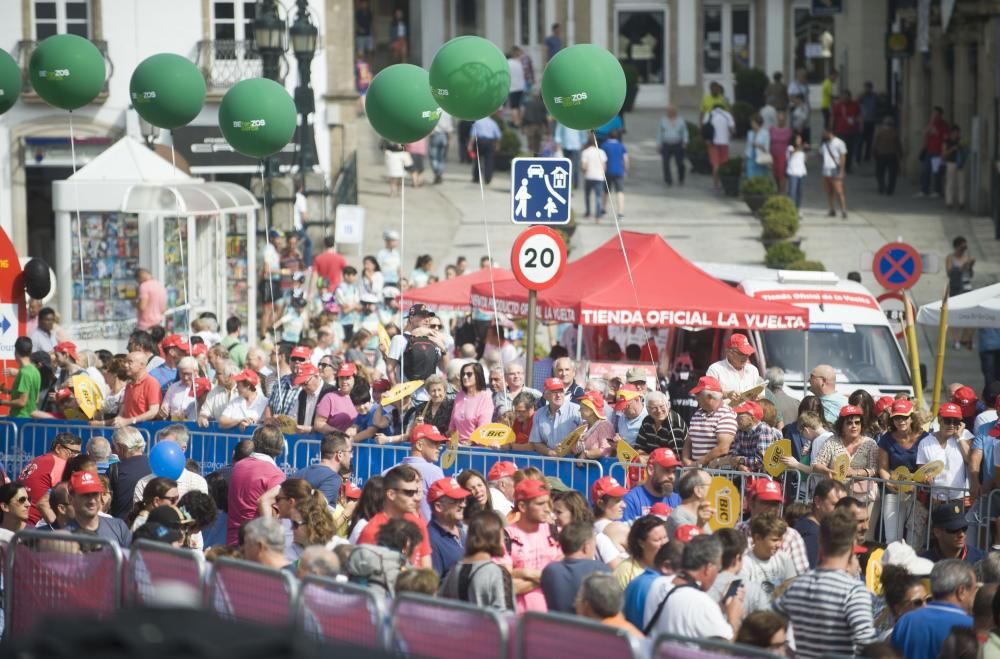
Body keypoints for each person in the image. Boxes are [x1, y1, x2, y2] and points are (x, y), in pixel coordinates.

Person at [774, 508, 875, 657]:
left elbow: (769, 625)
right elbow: (867, 643)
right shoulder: (854, 590)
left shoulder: (796, 585)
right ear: (852, 544)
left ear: (820, 541)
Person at [644, 534, 743, 640]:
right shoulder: (702, 603)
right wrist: (734, 618)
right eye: (718, 569)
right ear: (708, 568)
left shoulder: (657, 584)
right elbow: (727, 650)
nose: (717, 575)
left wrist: (720, 608)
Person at [892, 559, 975, 659]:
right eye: (973, 590)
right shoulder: (971, 627)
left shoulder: (905, 622)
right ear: (961, 591)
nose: (973, 596)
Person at [357, 465, 433, 568]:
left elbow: (427, 569)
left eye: (415, 492)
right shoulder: (372, 531)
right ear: (391, 494)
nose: (415, 498)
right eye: (409, 493)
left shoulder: (418, 523)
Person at [504, 479, 562, 612]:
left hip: (554, 618)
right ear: (523, 507)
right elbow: (506, 587)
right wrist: (545, 577)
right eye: (540, 504)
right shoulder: (506, 536)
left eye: (548, 503)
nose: (547, 509)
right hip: (519, 622)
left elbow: (561, 577)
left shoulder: (556, 533)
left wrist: (523, 573)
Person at [439, 510, 514, 611]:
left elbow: (442, 604)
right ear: (495, 536)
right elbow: (506, 616)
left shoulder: (454, 570)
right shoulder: (497, 573)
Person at [878, 399, 928, 544]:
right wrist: (890, 483)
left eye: (904, 417)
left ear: (912, 418)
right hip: (894, 491)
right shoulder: (886, 439)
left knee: (915, 541)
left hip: (919, 495)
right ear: (892, 420)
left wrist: (917, 483)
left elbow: (928, 467)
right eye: (896, 418)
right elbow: (883, 468)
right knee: (892, 540)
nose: (901, 421)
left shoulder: (925, 437)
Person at [226, 424, 286, 545]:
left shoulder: (238, 466)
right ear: (279, 448)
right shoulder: (276, 475)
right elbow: (275, 516)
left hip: (233, 541)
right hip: (256, 546)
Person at [541, 520, 609, 613]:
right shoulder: (600, 570)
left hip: (556, 626)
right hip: (588, 627)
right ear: (586, 547)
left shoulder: (549, 571)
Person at [389, 423, 448, 520]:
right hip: (425, 531)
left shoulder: (388, 472)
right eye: (435, 443)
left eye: (440, 443)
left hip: (395, 530)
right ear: (419, 445)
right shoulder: (434, 472)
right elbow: (444, 507)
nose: (440, 447)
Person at [682, 376, 737, 467]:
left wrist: (698, 464)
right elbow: (689, 440)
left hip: (718, 475)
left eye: (698, 394)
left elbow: (723, 448)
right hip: (697, 472)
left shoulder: (726, 414)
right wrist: (686, 460)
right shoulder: (697, 413)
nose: (696, 397)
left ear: (709, 397)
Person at [65, 470, 132, 546]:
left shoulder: (119, 527)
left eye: (95, 494)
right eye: (85, 495)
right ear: (70, 499)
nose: (92, 501)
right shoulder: (63, 538)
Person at [793, 477, 848, 567]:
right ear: (818, 501)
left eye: (844, 505)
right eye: (835, 504)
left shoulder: (815, 528)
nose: (841, 510)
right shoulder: (811, 535)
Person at [575, 572, 643, 638]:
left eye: (578, 598)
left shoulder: (591, 638)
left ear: (586, 605)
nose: (574, 604)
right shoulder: (632, 633)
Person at [622, 448, 682, 521]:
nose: (672, 476)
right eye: (666, 470)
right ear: (651, 470)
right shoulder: (631, 499)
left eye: (674, 472)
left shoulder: (677, 500)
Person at [427, 477, 469, 579]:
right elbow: (433, 586)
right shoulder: (430, 540)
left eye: (463, 499)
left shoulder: (463, 530)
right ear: (439, 507)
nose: (463, 505)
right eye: (456, 500)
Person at [292, 432, 351, 504]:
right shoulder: (332, 478)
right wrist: (346, 514)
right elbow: (316, 511)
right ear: (339, 455)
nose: (351, 456)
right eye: (350, 451)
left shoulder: (299, 474)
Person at [529, 378, 583, 456]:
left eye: (561, 391)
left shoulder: (577, 410)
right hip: (550, 462)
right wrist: (550, 452)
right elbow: (536, 442)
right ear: (545, 396)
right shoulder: (539, 414)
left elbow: (587, 434)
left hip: (573, 461)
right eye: (554, 392)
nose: (558, 395)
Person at [614, 515, 669, 588]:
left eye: (665, 537)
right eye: (657, 540)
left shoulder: (674, 565)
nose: (663, 543)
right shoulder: (625, 573)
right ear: (641, 543)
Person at [449, 362, 494, 443]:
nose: (465, 377)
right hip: (457, 447)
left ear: (477, 376)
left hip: (476, 449)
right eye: (463, 374)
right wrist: (454, 441)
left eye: (469, 374)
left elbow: (483, 428)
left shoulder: (486, 397)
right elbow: (452, 425)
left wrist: (469, 443)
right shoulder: (459, 395)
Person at [665, 469, 712, 538]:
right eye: (710, 485)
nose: (714, 489)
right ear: (698, 491)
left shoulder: (700, 514)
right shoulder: (678, 518)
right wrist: (700, 525)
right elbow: (693, 546)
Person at [0, 336, 40, 417]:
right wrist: (6, 390)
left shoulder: (24, 373)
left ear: (16, 352)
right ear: (31, 351)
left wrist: (2, 402)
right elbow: (35, 398)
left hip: (20, 418)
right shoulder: (35, 371)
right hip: (30, 418)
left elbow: (22, 402)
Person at [917, 105, 950, 198]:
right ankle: (924, 190)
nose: (934, 115)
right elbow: (925, 134)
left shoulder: (944, 125)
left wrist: (943, 152)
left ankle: (937, 191)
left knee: (936, 172)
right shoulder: (931, 124)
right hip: (929, 151)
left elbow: (946, 138)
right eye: (933, 113)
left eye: (936, 113)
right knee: (925, 171)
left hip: (938, 152)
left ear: (940, 114)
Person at [573, 390, 615, 459]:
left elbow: (606, 450)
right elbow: (573, 446)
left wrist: (586, 454)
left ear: (592, 410)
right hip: (581, 468)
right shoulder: (583, 426)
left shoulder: (604, 426)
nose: (579, 410)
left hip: (599, 468)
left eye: (582, 408)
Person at [703, 102, 735, 190]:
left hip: (713, 143)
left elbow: (704, 127)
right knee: (724, 164)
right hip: (725, 143)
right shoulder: (727, 115)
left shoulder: (709, 114)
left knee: (715, 164)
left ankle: (715, 184)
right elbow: (732, 130)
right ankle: (723, 182)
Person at [820, 127, 848, 218]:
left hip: (834, 168)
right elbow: (821, 154)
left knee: (839, 191)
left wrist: (841, 170)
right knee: (829, 191)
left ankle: (843, 209)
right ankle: (832, 209)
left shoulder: (839, 143)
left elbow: (843, 157)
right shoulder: (824, 144)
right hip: (825, 169)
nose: (823, 135)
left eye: (824, 133)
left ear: (830, 133)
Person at [600, 130, 628, 218]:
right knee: (620, 192)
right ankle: (620, 212)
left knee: (606, 191)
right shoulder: (621, 146)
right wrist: (625, 170)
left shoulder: (604, 146)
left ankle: (604, 209)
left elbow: (601, 159)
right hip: (619, 171)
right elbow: (625, 159)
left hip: (607, 171)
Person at [657, 105, 687, 186]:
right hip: (666, 144)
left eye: (670, 111)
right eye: (667, 111)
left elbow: (684, 132)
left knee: (680, 163)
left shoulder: (680, 120)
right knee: (665, 162)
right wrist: (659, 143)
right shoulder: (663, 120)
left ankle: (681, 177)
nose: (668, 113)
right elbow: (660, 132)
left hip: (677, 144)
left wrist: (685, 142)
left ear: (674, 112)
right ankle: (668, 180)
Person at [832, 90, 861, 174]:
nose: (844, 98)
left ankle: (847, 166)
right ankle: (840, 166)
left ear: (849, 97)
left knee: (849, 150)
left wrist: (859, 126)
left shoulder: (854, 105)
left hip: (851, 131)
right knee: (840, 150)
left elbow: (858, 116)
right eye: (842, 97)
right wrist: (831, 129)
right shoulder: (838, 106)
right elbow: (833, 117)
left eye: (846, 97)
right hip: (840, 131)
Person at [873, 116, 903, 195]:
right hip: (892, 155)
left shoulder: (879, 131)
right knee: (892, 173)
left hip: (881, 154)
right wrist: (900, 154)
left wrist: (873, 153)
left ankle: (882, 186)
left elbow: (875, 143)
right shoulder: (894, 132)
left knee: (879, 172)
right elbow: (898, 144)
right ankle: (890, 189)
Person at [469, 114, 502, 185]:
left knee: (477, 160)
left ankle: (476, 178)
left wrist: (470, 145)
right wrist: (497, 145)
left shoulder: (477, 121)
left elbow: (473, 134)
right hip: (490, 142)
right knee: (489, 161)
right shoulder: (493, 122)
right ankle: (488, 179)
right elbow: (498, 135)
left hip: (480, 141)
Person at [580, 138, 607, 218]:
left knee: (587, 195)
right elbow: (604, 166)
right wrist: (602, 173)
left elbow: (583, 166)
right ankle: (598, 214)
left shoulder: (585, 152)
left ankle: (588, 212)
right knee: (598, 196)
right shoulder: (601, 152)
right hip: (599, 177)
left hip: (589, 176)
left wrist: (584, 172)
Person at [943, 124, 968, 209]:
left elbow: (967, 148)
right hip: (951, 163)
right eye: (955, 132)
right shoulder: (947, 141)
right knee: (950, 183)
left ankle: (961, 202)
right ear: (951, 133)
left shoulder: (961, 141)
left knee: (961, 184)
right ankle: (949, 202)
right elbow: (943, 154)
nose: (956, 134)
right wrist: (952, 149)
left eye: (958, 133)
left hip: (960, 164)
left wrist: (963, 145)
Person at [429, 109, 453, 184]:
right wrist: (450, 140)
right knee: (441, 157)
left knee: (434, 157)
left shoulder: (435, 111)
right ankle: (439, 173)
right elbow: (449, 128)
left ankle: (437, 172)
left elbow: (431, 125)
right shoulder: (447, 112)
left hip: (435, 135)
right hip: (444, 136)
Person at [744, 114, 772, 179]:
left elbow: (767, 148)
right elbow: (747, 148)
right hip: (751, 159)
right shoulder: (750, 133)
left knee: (761, 179)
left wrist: (758, 145)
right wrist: (744, 160)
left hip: (761, 159)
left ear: (758, 123)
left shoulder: (765, 133)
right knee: (750, 178)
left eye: (753, 123)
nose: (751, 124)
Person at [786, 131, 808, 210]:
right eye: (798, 139)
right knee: (792, 192)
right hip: (793, 172)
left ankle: (797, 208)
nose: (799, 140)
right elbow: (793, 152)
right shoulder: (790, 147)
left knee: (799, 192)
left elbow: (804, 160)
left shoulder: (802, 150)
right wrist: (802, 147)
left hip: (801, 172)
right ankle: (790, 208)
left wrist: (804, 150)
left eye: (800, 139)